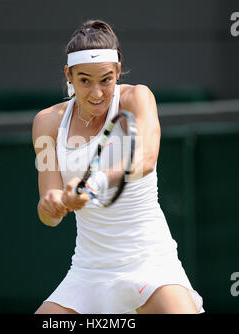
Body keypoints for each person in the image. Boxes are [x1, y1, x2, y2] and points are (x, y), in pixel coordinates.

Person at [32, 19, 204, 314]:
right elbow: (50, 212)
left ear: (118, 72)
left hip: (149, 262)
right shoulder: (46, 122)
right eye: (85, 80)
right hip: (87, 272)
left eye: (106, 80)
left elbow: (145, 160)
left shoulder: (137, 98)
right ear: (69, 76)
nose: (97, 93)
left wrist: (92, 184)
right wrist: (54, 204)